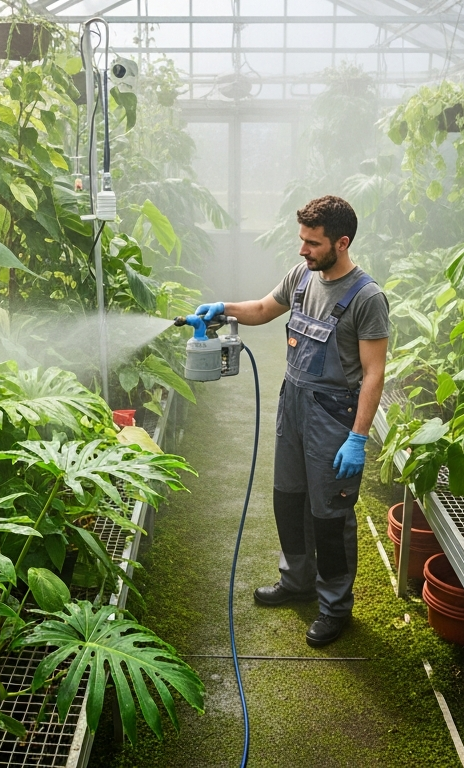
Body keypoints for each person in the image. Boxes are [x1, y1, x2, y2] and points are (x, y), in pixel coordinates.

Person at [188, 195, 389, 647]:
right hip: (293, 404)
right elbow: (262, 309)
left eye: (312, 243)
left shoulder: (366, 298)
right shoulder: (302, 277)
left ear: (342, 242)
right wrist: (224, 308)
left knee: (329, 516)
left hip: (334, 417)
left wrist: (357, 437)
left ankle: (334, 606)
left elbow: (374, 373)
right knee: (288, 499)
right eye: (301, 240)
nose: (303, 250)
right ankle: (297, 581)